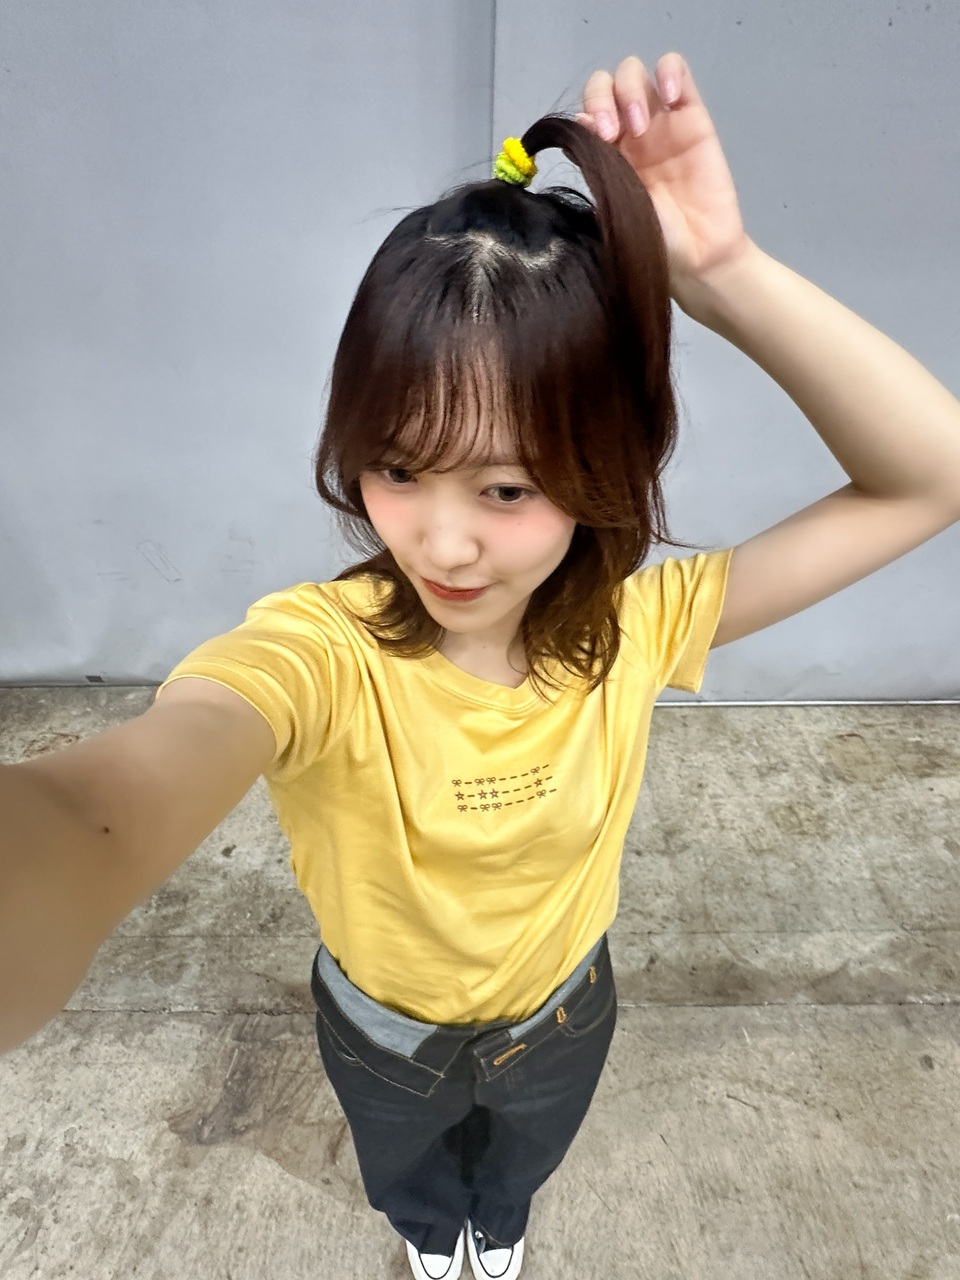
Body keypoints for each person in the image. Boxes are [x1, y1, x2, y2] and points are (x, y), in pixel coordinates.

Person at [1, 50, 959, 1280]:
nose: (442, 543)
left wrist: (725, 272)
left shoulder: (636, 624)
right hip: (382, 1030)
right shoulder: (320, 652)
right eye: (398, 469)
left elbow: (927, 474)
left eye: (505, 488)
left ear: (603, 467)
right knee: (406, 1169)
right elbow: (106, 804)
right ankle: (426, 1233)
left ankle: (496, 1224)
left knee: (520, 1162)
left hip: (563, 1009)